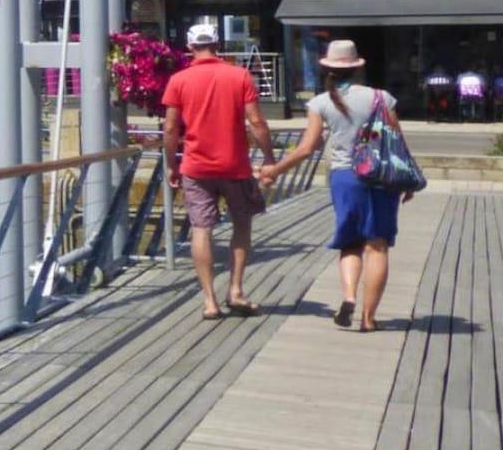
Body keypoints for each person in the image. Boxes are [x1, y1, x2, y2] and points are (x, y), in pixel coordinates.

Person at [260, 40, 411, 332]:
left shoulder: (320, 103)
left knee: (350, 243)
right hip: (382, 177)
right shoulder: (382, 97)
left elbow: (306, 149)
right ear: (358, 68)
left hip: (345, 178)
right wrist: (407, 179)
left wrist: (275, 171)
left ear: (328, 68)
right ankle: (368, 319)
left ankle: (350, 296)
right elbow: (397, 141)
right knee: (377, 247)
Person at [163, 22, 279, 320]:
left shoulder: (178, 80)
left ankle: (209, 301)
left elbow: (171, 128)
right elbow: (257, 122)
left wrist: (171, 164)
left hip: (196, 167)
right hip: (235, 166)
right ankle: (236, 290)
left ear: (190, 47)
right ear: (218, 44)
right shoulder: (239, 76)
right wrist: (269, 157)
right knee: (241, 224)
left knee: (202, 229)